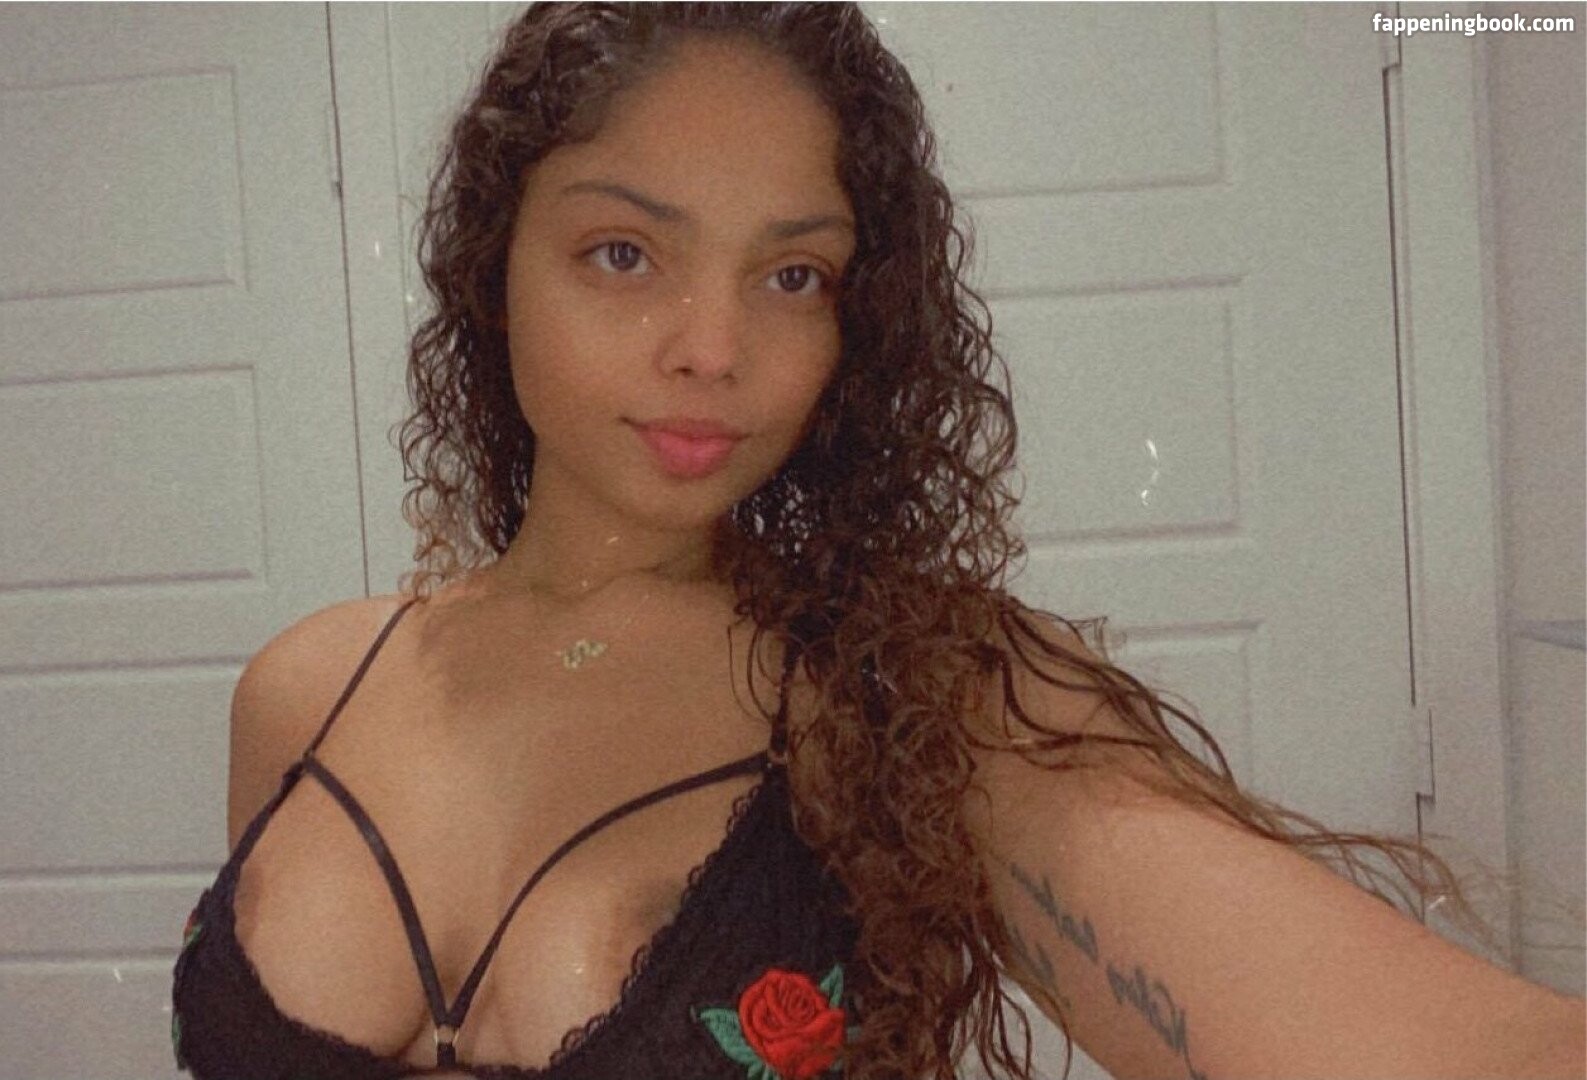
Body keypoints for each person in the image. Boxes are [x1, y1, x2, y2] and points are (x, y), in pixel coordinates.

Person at [170, 4, 1585, 1079]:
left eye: (794, 275)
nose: (714, 348)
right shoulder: (307, 690)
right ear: (497, 269)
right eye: (625, 252)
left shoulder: (919, 695)